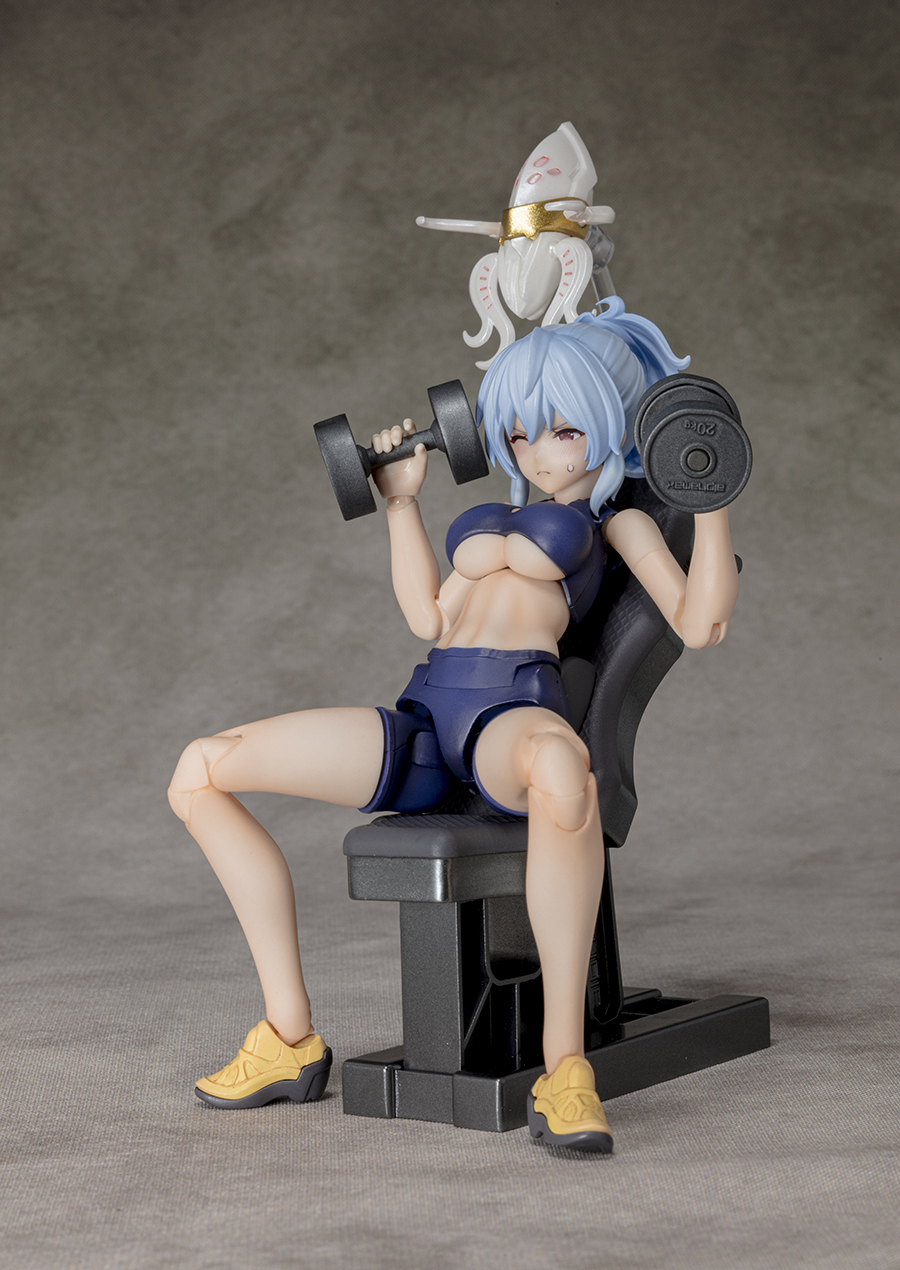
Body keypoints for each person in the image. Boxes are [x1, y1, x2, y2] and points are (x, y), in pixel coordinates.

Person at [167, 299, 739, 1153]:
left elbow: (699, 623)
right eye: (518, 434)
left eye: (563, 431)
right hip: (425, 719)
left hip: (510, 718)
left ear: (609, 422)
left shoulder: (613, 523)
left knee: (563, 771)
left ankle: (564, 1069)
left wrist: (712, 499)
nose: (536, 453)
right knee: (202, 768)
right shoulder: (494, 517)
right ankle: (288, 1035)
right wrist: (401, 504)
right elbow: (428, 616)